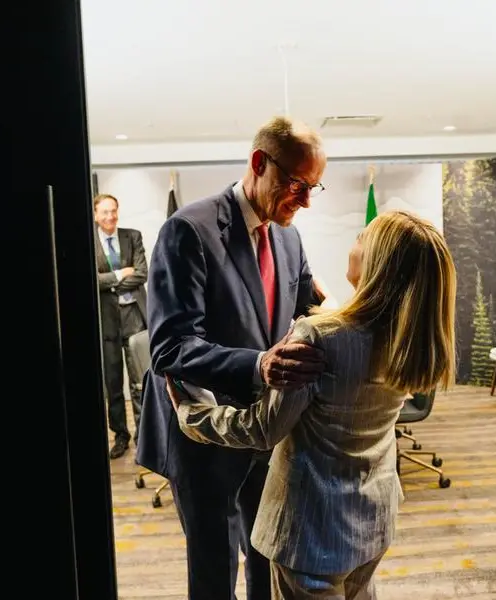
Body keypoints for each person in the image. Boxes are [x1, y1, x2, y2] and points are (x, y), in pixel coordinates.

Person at [167, 210, 457, 599]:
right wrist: (331, 310)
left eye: (361, 237)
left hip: (311, 533)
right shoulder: (410, 338)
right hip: (372, 519)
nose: (354, 243)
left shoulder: (319, 338)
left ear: (378, 262)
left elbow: (262, 429)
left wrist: (192, 415)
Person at [136, 116, 331, 600]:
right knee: (214, 568)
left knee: (266, 553)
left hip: (264, 428)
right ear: (259, 163)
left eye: (313, 188)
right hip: (203, 433)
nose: (305, 201)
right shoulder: (188, 230)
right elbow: (171, 346)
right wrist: (259, 365)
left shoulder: (288, 237)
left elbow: (304, 305)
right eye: (297, 184)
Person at [93, 193, 148, 459]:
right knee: (113, 384)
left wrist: (109, 283)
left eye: (113, 210)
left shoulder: (132, 236)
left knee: (140, 382)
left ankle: (143, 437)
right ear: (95, 215)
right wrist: (119, 274)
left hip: (134, 316)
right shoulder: (89, 240)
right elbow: (93, 280)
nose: (110, 216)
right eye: (104, 212)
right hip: (106, 321)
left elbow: (142, 274)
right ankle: (121, 436)